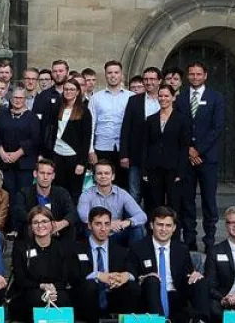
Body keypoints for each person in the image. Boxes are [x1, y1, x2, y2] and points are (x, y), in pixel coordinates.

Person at [72, 206, 140, 323]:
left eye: (106, 224)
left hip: (113, 294)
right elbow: (74, 276)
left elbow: (132, 270)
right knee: (90, 286)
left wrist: (124, 276)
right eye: (98, 224)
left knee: (133, 287)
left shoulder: (120, 250)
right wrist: (98, 275)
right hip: (87, 299)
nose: (103, 229)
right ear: (89, 225)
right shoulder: (77, 248)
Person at [127, 206, 210, 323]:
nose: (164, 229)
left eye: (168, 225)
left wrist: (195, 275)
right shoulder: (138, 248)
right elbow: (131, 275)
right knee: (152, 280)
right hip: (149, 297)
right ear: (151, 225)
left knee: (200, 281)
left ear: (174, 228)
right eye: (160, 225)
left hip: (175, 295)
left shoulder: (181, 249)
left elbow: (188, 275)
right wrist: (143, 278)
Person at [174, 62, 225, 251]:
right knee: (187, 200)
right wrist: (188, 149)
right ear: (188, 76)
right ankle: (189, 238)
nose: (195, 77)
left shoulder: (215, 98)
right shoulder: (180, 99)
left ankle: (209, 239)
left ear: (205, 76)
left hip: (207, 158)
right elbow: (178, 126)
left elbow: (217, 127)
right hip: (186, 158)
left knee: (208, 200)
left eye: (198, 74)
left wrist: (199, 150)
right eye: (192, 74)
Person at [8, 206, 74, 322]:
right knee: (37, 298)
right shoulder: (21, 247)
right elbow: (20, 278)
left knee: (63, 298)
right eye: (35, 222)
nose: (40, 226)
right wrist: (41, 287)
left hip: (55, 290)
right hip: (27, 292)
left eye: (44, 221)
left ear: (52, 224)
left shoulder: (62, 247)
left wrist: (52, 290)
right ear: (31, 227)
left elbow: (65, 278)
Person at [0, 87, 42, 224]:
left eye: (20, 98)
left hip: (25, 164)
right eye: (15, 98)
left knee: (23, 196)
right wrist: (2, 153)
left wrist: (18, 153)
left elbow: (35, 139)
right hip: (4, 162)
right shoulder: (2, 115)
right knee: (8, 195)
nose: (17, 100)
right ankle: (9, 227)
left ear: (25, 99)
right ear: (11, 99)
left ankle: (22, 228)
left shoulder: (32, 117)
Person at [142, 84, 192, 214]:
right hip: (154, 168)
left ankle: (174, 234)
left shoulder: (182, 120)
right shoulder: (151, 119)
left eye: (166, 96)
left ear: (173, 97)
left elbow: (184, 147)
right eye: (160, 96)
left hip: (173, 168)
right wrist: (145, 170)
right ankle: (152, 233)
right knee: (153, 204)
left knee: (174, 205)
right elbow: (145, 145)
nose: (163, 98)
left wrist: (181, 172)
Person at [120, 67, 162, 207]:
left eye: (152, 79)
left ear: (159, 81)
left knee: (155, 195)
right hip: (136, 155)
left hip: (158, 157)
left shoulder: (165, 100)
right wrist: (124, 155)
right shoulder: (134, 101)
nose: (149, 82)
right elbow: (126, 128)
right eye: (146, 79)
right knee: (134, 193)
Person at [77, 161, 146, 246]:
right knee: (89, 227)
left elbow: (142, 216)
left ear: (112, 176)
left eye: (107, 173)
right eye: (99, 173)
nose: (103, 176)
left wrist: (127, 222)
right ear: (94, 177)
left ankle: (134, 258)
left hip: (117, 234)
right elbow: (84, 216)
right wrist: (108, 224)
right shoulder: (86, 194)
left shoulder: (122, 193)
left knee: (137, 228)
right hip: (96, 234)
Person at [45, 80, 91, 201]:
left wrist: (82, 162)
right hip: (57, 154)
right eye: (66, 89)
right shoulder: (57, 108)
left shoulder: (84, 111)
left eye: (72, 89)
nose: (68, 92)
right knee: (58, 190)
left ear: (77, 92)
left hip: (74, 156)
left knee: (74, 192)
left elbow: (86, 139)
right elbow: (52, 131)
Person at [13, 158, 76, 244]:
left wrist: (61, 224)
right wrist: (43, 225)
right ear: (35, 174)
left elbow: (72, 212)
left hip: (57, 234)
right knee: (24, 227)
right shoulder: (24, 193)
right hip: (33, 234)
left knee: (70, 228)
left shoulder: (61, 192)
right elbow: (19, 212)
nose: (45, 177)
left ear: (53, 176)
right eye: (42, 173)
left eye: (49, 174)